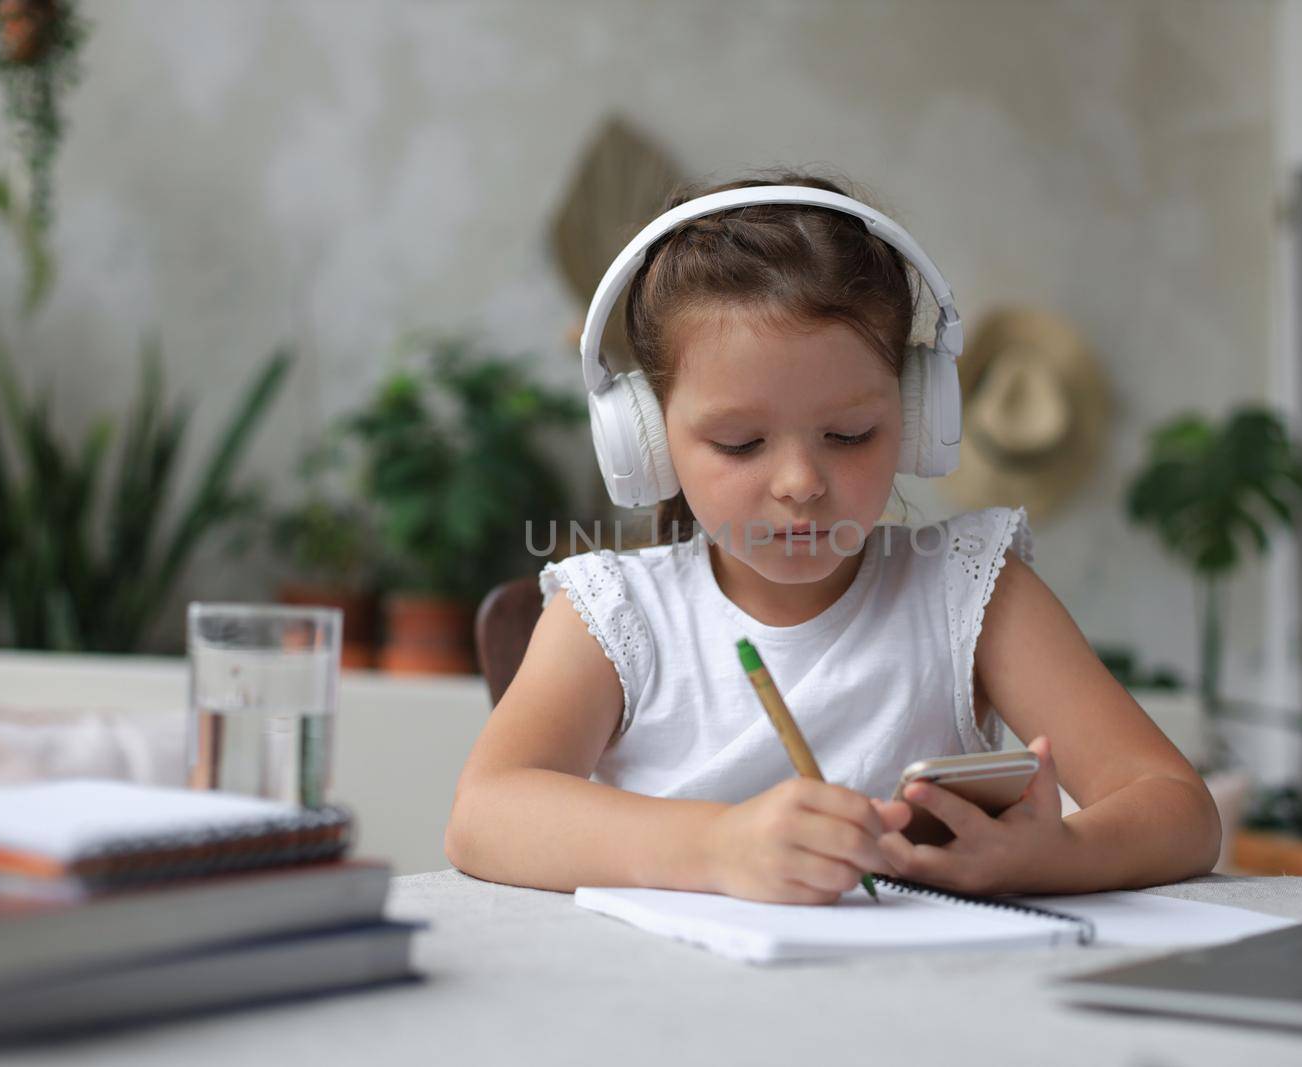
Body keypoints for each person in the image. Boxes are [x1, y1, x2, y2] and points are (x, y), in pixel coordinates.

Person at [444, 171, 1220, 904]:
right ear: (649, 442)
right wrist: (718, 846)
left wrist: (1057, 855)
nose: (800, 482)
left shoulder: (973, 590)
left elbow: (1178, 809)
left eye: (849, 433)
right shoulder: (615, 613)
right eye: (741, 443)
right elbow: (486, 813)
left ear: (917, 419)